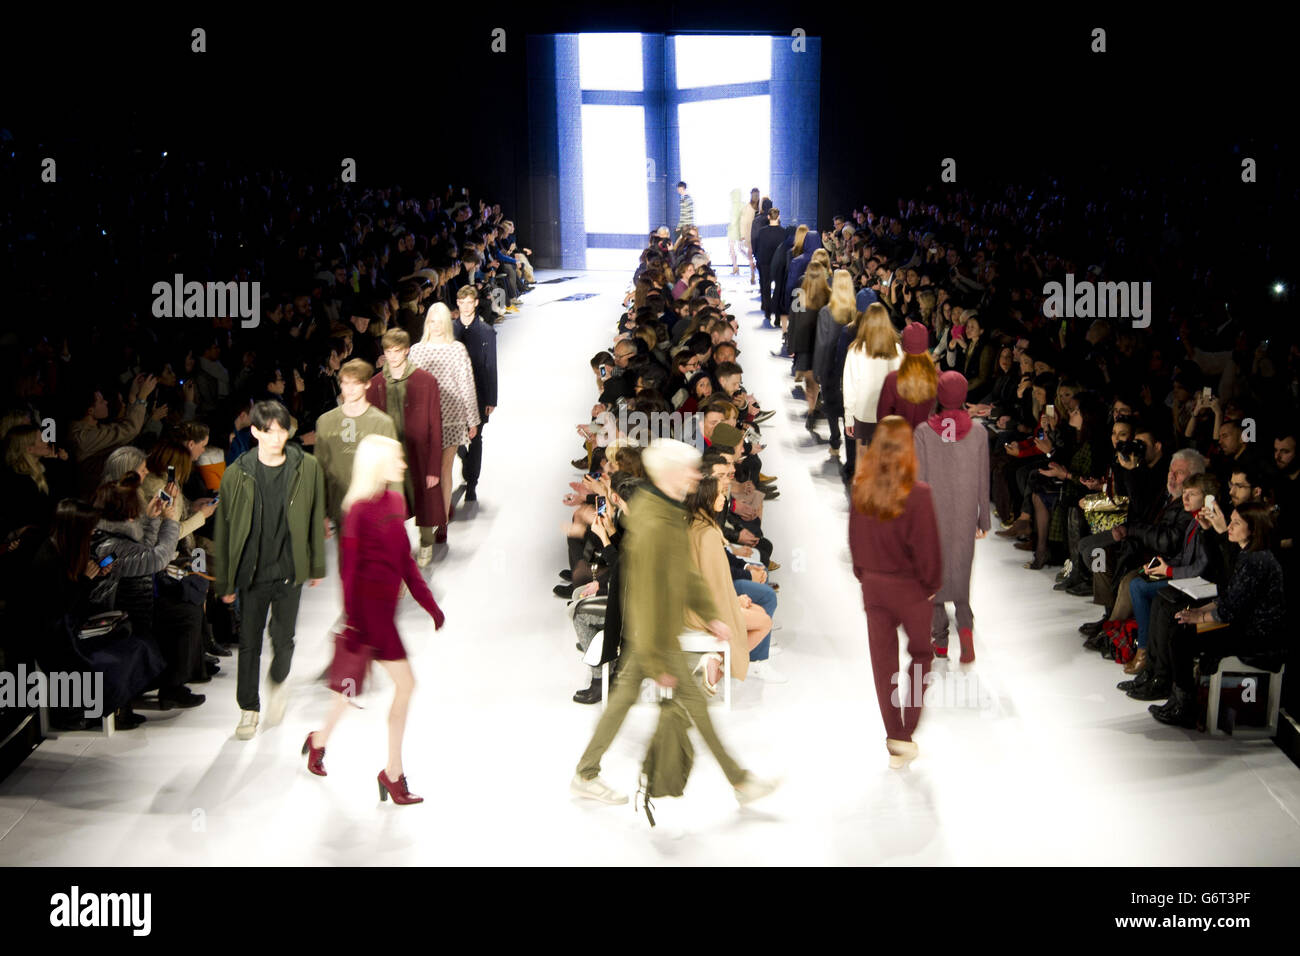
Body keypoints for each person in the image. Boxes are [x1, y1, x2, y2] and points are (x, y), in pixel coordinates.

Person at [571, 439, 779, 808]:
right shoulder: (654, 520)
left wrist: (711, 613)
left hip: (656, 634)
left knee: (631, 705)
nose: (695, 475)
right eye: (688, 469)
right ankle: (740, 782)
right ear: (669, 473)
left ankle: (586, 772)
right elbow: (646, 591)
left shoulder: (665, 510)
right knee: (687, 708)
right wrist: (655, 658)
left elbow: (683, 572)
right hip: (654, 636)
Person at [303, 435, 445, 804]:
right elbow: (349, 572)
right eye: (396, 458)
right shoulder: (359, 511)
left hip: (383, 612)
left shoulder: (395, 500)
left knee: (349, 689)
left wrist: (429, 604)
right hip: (368, 615)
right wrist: (354, 621)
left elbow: (404, 560)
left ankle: (318, 742)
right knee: (404, 685)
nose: (402, 463)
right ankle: (393, 773)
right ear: (377, 464)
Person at [213, 400, 327, 741]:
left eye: (282, 430)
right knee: (249, 643)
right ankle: (249, 709)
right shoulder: (237, 473)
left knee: (284, 639)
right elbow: (224, 530)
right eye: (269, 431)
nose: (277, 438)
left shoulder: (306, 467)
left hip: (290, 567)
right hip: (251, 571)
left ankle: (278, 681)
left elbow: (315, 515)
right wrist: (224, 582)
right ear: (255, 432)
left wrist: (317, 564)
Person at [848, 416, 943, 768]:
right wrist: (930, 586)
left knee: (883, 663)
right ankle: (906, 731)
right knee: (921, 655)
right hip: (910, 588)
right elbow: (928, 547)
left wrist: (865, 576)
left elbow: (854, 539)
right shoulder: (918, 493)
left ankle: (895, 737)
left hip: (874, 586)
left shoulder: (861, 487)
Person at [1156, 503, 1286, 727]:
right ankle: (1179, 699)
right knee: (1181, 625)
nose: (1230, 527)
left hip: (1256, 636)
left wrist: (1200, 618)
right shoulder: (1247, 554)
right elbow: (1227, 595)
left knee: (1182, 637)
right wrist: (1199, 611)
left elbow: (1230, 611)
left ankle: (1185, 707)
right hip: (1243, 625)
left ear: (1253, 529)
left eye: (1236, 523)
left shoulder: (1257, 560)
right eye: (1231, 521)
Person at [913, 372, 990, 662]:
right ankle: (966, 627)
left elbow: (918, 481)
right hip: (965, 512)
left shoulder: (923, 431)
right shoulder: (980, 432)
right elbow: (984, 478)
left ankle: (941, 641)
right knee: (960, 571)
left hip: (932, 515)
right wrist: (983, 520)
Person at [368, 329, 446, 560]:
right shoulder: (375, 384)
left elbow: (435, 425)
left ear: (406, 350)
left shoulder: (425, 381)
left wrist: (434, 467)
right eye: (388, 351)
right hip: (390, 455)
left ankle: (426, 541)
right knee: (393, 501)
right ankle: (398, 546)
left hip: (418, 452)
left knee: (423, 495)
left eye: (397, 351)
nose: (392, 356)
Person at [408, 306, 479, 542]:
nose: (435, 326)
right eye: (431, 321)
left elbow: (466, 384)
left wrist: (473, 419)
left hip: (451, 418)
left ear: (447, 323)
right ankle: (430, 515)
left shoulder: (457, 350)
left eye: (440, 321)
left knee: (444, 469)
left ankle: (442, 522)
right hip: (423, 420)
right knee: (426, 472)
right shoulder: (416, 351)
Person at [314, 358, 398, 540]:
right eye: (345, 383)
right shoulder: (325, 422)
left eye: (356, 383)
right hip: (340, 507)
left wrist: (395, 516)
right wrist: (320, 514)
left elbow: (393, 471)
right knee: (348, 564)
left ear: (367, 384)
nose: (350, 389)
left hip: (375, 509)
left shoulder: (382, 423)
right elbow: (320, 470)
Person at [453, 285, 498, 503]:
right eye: (463, 302)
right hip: (453, 393)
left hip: (478, 391)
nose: (467, 306)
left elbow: (491, 365)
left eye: (471, 302)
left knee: (476, 437)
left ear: (476, 303)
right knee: (456, 438)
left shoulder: (486, 331)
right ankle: (465, 458)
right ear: (458, 303)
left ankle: (472, 483)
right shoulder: (450, 330)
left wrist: (491, 398)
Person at [843, 303, 904, 460]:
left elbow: (850, 386)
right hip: (889, 414)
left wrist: (849, 417)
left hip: (864, 413)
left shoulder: (855, 349)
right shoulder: (896, 350)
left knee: (863, 459)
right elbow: (900, 385)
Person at [875, 322, 939, 431]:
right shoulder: (940, 379)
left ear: (903, 347)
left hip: (900, 443)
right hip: (930, 444)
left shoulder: (892, 380)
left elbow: (883, 418)